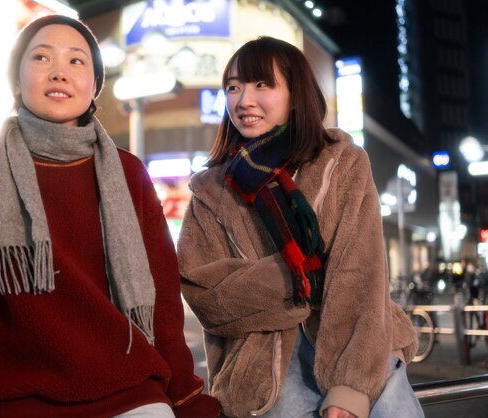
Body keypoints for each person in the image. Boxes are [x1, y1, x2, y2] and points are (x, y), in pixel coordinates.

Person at [0, 14, 220, 418]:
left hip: (132, 393)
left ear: (94, 86)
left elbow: (162, 309)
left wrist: (188, 401)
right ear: (16, 80)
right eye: (40, 58)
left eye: (76, 61)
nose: (59, 72)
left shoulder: (128, 172)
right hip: (13, 401)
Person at [177, 36, 422, 418]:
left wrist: (350, 388)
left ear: (295, 93)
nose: (244, 101)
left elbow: (360, 275)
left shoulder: (343, 163)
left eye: (262, 85)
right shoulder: (210, 190)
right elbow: (207, 294)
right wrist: (303, 277)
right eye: (233, 87)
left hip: (362, 351)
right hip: (261, 371)